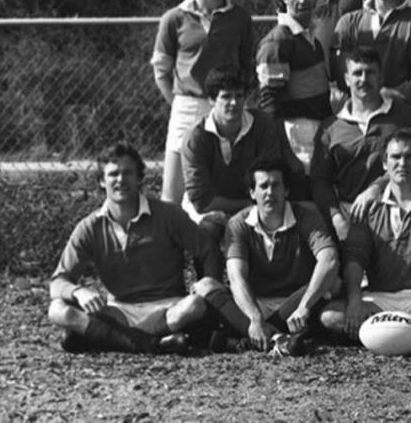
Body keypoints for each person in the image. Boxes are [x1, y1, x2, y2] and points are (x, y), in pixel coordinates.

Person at [48, 144, 224, 354]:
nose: (120, 180)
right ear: (102, 181)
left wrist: (208, 286)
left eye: (127, 173)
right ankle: (153, 344)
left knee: (195, 305)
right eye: (113, 174)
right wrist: (79, 291)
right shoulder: (90, 227)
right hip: (119, 311)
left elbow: (207, 250)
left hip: (169, 309)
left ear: (140, 178)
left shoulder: (168, 215)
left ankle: (110, 340)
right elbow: (57, 282)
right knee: (57, 310)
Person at [320, 129, 411, 339]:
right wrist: (354, 301)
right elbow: (354, 259)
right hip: (381, 301)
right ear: (384, 164)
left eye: (410, 157)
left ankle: (407, 330)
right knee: (330, 317)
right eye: (395, 157)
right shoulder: (368, 207)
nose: (402, 163)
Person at [151, 0, 253, 205]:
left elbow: (247, 70)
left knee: (219, 193)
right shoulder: (173, 18)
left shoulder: (240, 18)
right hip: (186, 107)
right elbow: (161, 72)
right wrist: (179, 104)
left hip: (227, 107)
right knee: (172, 196)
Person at [209, 159, 340, 355]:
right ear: (252, 193)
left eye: (276, 185)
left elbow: (329, 259)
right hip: (255, 303)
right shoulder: (238, 223)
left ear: (286, 190)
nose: (270, 192)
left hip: (295, 304)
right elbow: (236, 277)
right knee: (206, 286)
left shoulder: (306, 217)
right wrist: (254, 317)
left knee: (333, 282)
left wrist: (304, 305)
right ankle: (280, 340)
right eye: (263, 186)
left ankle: (249, 340)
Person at [181, 66, 304, 242]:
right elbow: (202, 202)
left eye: (239, 96)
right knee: (209, 230)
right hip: (211, 211)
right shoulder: (195, 138)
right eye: (226, 96)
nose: (234, 103)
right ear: (211, 100)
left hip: (254, 205)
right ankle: (209, 271)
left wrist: (247, 209)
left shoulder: (262, 125)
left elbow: (270, 176)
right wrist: (242, 207)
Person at [310, 47, 411, 240]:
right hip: (349, 217)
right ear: (346, 79)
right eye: (357, 73)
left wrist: (377, 188)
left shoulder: (405, 115)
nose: (363, 79)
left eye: (370, 72)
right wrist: (336, 218)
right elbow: (320, 181)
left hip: (399, 214)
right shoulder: (331, 128)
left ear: (380, 76)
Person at [256, 0, 333, 172]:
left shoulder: (310, 38)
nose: (303, 0)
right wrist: (285, 153)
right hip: (296, 134)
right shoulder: (278, 41)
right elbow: (270, 104)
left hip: (317, 130)